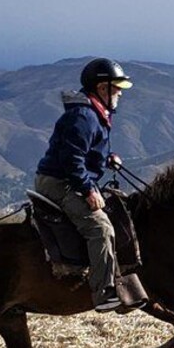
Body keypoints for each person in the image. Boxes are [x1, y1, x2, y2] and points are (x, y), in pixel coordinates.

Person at [36, 58, 133, 312]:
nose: (120, 93)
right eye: (116, 88)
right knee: (101, 229)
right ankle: (104, 294)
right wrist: (88, 189)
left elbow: (83, 150)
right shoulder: (84, 116)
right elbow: (72, 159)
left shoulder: (93, 113)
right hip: (60, 182)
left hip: (66, 178)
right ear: (102, 88)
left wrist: (106, 158)